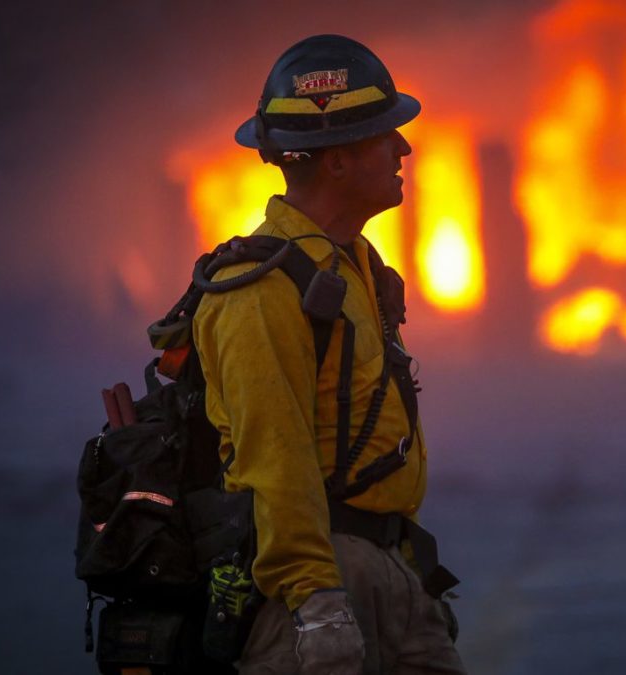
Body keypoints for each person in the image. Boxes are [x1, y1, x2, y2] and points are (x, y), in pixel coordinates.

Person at [191, 34, 466, 675]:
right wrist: (316, 600)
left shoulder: (354, 268)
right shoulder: (262, 291)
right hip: (320, 586)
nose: (403, 148)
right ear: (336, 161)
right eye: (383, 135)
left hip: (393, 573)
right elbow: (273, 459)